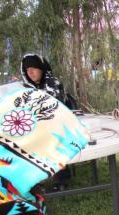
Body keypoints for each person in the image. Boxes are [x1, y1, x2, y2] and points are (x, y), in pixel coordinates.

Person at [21, 53, 76, 191]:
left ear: (41, 68)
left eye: (33, 68)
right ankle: (35, 181)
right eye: (27, 69)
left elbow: (52, 111)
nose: (30, 72)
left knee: (49, 138)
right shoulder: (26, 88)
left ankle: (61, 178)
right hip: (37, 126)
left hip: (60, 124)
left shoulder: (53, 84)